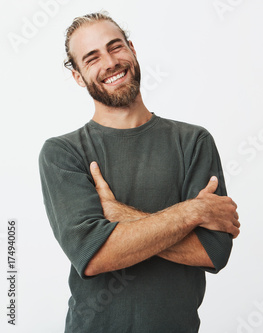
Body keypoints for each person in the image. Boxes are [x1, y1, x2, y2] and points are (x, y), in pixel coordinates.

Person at [38, 12, 240, 332]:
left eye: (115, 47)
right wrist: (193, 211)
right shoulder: (63, 152)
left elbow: (213, 252)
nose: (110, 62)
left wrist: (118, 215)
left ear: (132, 49)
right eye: (92, 58)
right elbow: (94, 257)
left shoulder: (192, 142)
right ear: (77, 76)